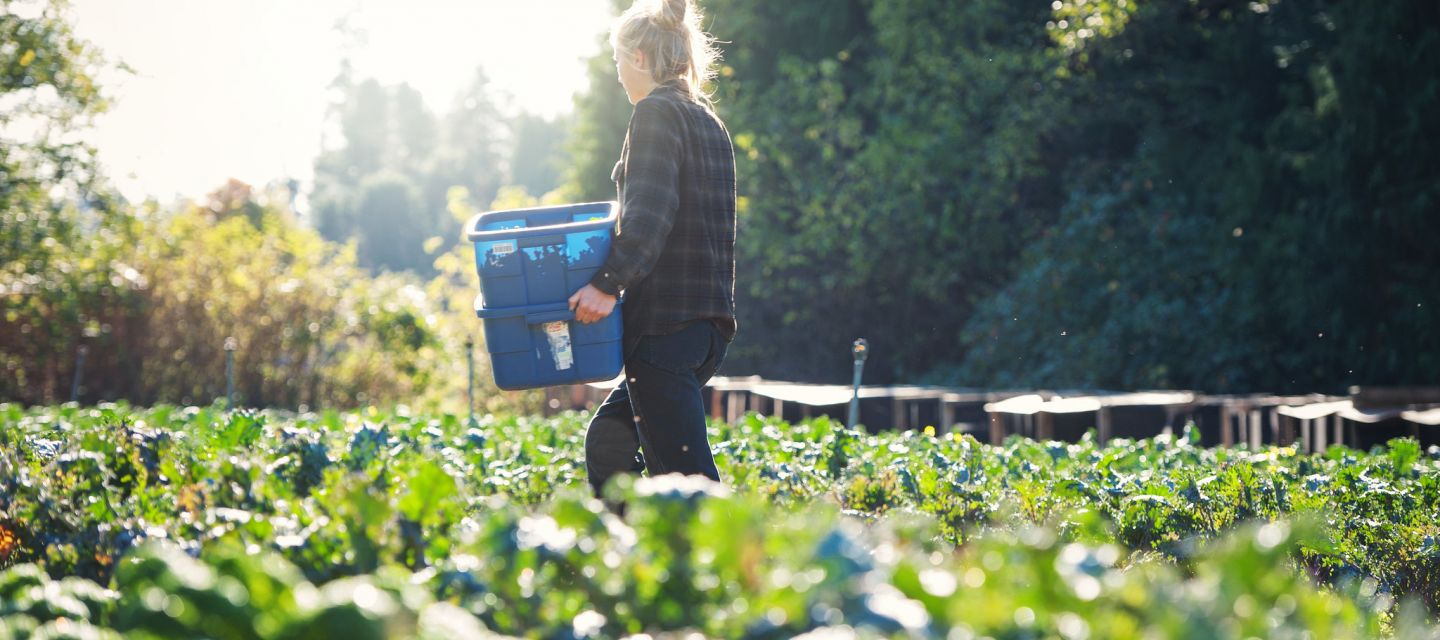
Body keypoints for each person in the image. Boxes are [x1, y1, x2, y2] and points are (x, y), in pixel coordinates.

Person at [567, 0, 737, 503]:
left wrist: (605, 284)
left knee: (686, 484)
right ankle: (631, 562)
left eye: (619, 61)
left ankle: (721, 571)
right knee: (609, 444)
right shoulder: (708, 121)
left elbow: (650, 214)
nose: (618, 75)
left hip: (665, 329)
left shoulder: (655, 114)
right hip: (704, 328)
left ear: (638, 58)